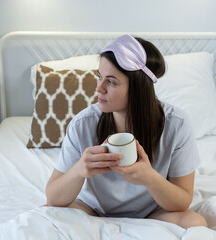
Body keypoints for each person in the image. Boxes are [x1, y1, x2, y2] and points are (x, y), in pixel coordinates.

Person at [45, 34, 207, 229]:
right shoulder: (82, 124)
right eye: (99, 77)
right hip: (92, 210)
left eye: (111, 82)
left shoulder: (176, 125)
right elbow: (53, 197)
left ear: (138, 88)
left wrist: (150, 178)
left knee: (195, 223)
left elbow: (182, 201)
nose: (99, 88)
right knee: (47, 216)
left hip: (153, 214)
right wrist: (80, 169)